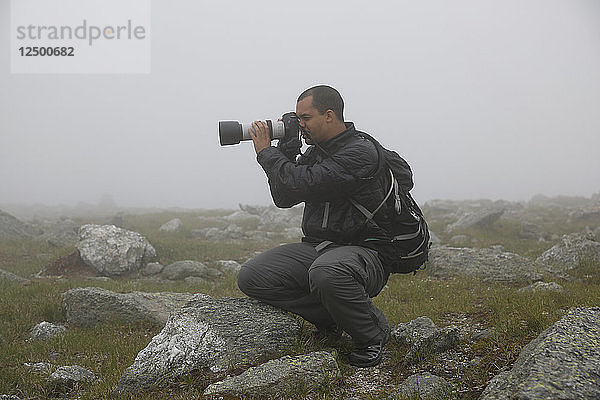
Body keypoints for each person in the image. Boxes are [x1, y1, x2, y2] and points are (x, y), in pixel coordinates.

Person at [237, 85, 395, 368]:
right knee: (253, 276)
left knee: (327, 272)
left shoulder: (360, 152)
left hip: (367, 253)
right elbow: (285, 197)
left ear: (330, 115)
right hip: (321, 248)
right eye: (297, 118)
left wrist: (266, 153)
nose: (300, 124)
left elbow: (301, 182)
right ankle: (332, 317)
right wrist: (287, 149)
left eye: (306, 117)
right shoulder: (317, 153)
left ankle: (372, 335)